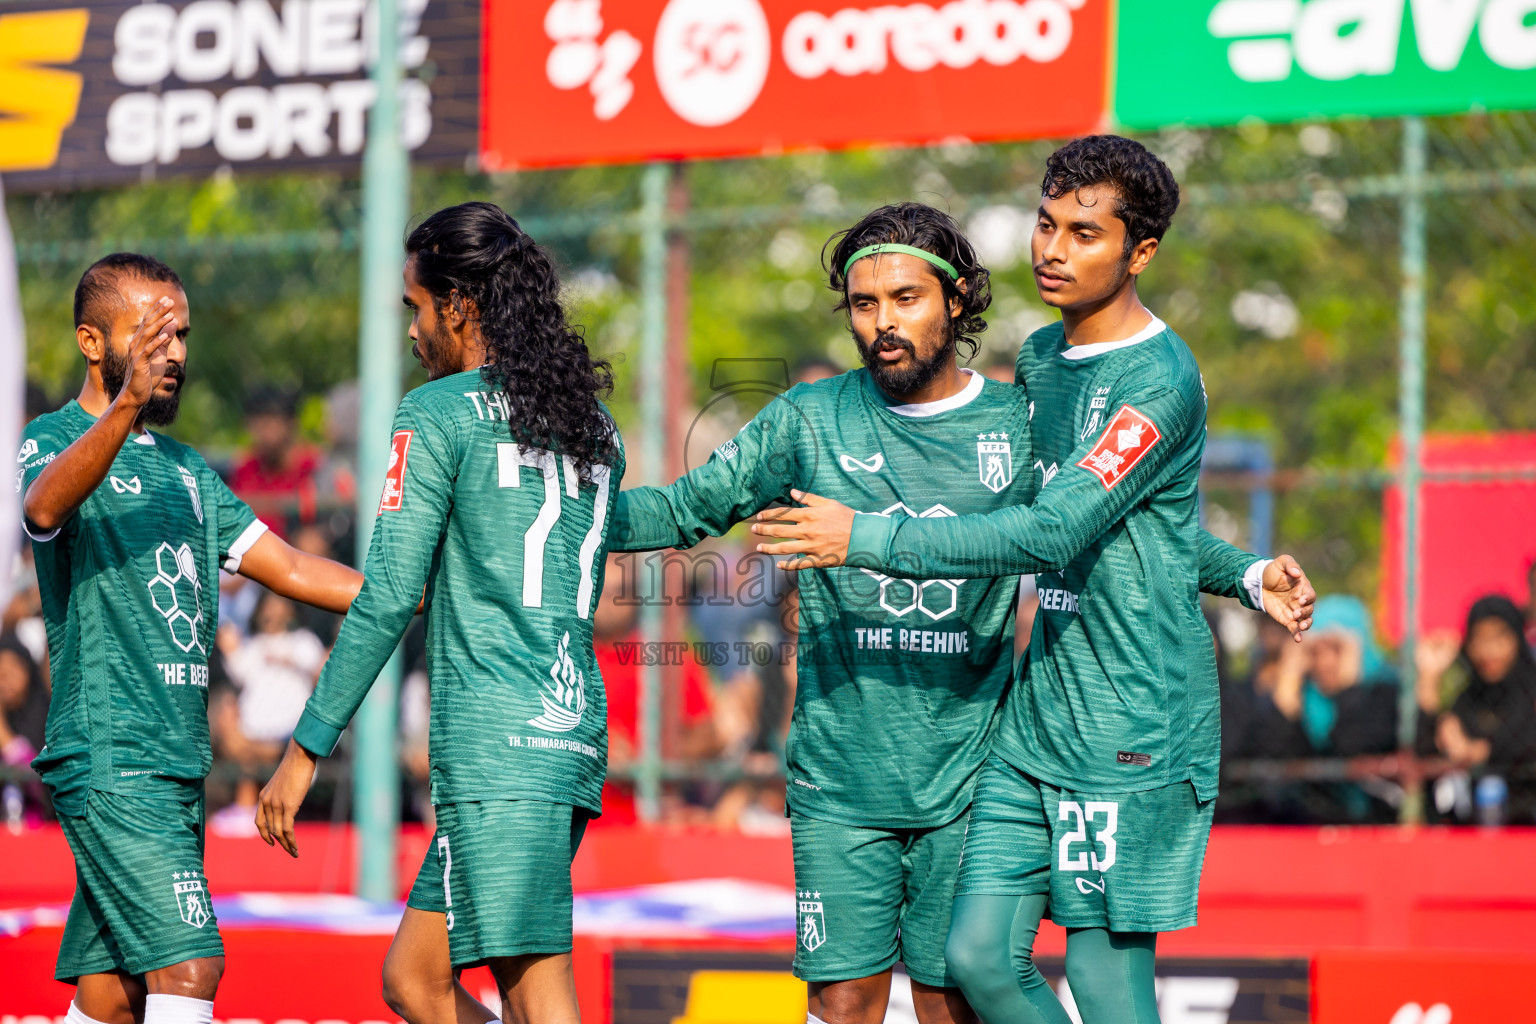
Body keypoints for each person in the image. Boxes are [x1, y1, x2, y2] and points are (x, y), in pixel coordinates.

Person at [614, 200, 1314, 1024]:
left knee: (956, 998)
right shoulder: (807, 420)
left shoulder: (1017, 422)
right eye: (863, 304)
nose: (883, 323)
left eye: (906, 298)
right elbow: (682, 508)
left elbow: (1110, 527)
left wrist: (1244, 571)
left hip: (974, 771)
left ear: (955, 301)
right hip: (840, 775)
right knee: (842, 1004)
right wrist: (561, 514)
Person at [254, 202, 623, 1024]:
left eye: (415, 308)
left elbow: (389, 595)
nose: (413, 332)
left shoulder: (437, 414)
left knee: (534, 985)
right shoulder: (593, 427)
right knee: (414, 981)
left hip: (498, 744)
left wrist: (307, 746)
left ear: (458, 303)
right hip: (566, 734)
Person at [17, 253, 369, 1024]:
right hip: (112, 757)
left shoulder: (187, 471)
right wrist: (120, 411)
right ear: (91, 341)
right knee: (190, 969)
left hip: (174, 766)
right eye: (154, 333)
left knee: (111, 996)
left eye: (182, 335)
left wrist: (414, 594)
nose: (175, 352)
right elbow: (42, 512)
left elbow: (292, 566)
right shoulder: (54, 439)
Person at [1419, 595, 1536, 769]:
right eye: (1479, 638)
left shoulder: (1530, 690)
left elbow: (1524, 739)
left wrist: (1479, 751)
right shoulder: (1469, 699)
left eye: (1499, 637)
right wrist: (1429, 679)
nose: (1489, 650)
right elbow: (1425, 745)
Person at [228, 386, 321, 542]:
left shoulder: (314, 468)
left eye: (271, 421)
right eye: (258, 422)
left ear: (291, 423)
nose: (264, 431)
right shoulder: (246, 470)